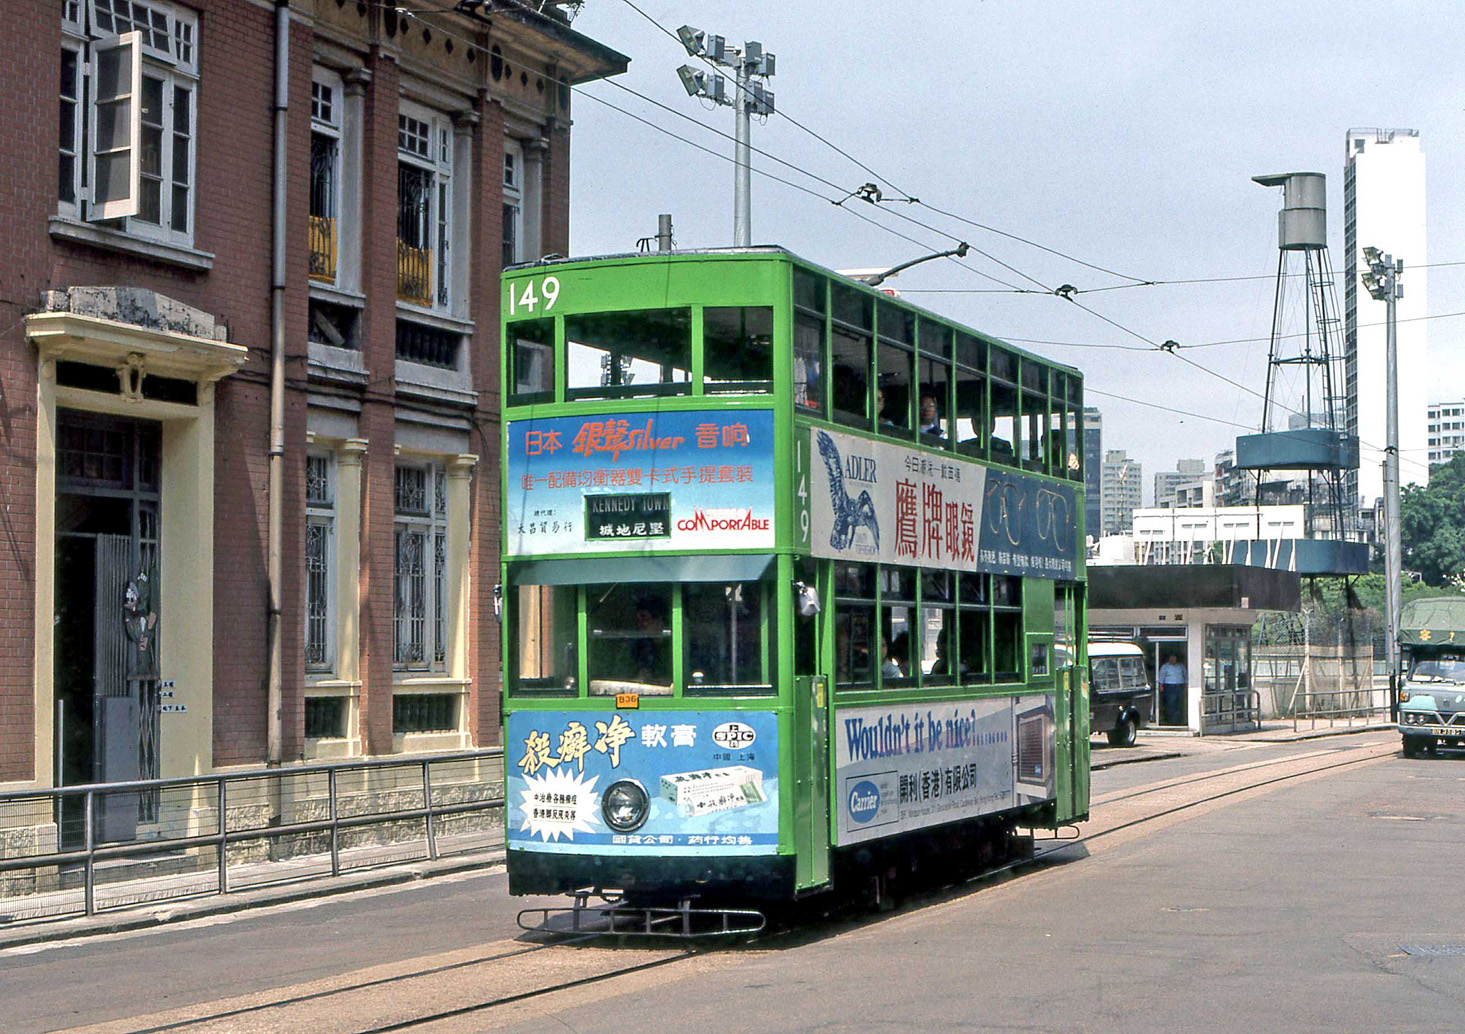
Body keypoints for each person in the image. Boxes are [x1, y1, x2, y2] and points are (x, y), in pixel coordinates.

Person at [1158, 653, 1186, 726]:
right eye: (1171, 658)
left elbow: (1185, 675)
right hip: (1169, 687)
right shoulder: (1165, 667)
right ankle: (1171, 721)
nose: (1173, 659)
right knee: (1170, 704)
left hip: (1179, 686)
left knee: (1179, 704)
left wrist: (1187, 684)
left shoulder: (1181, 666)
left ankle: (1179, 721)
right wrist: (1161, 685)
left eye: (1174, 658)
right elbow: (1161, 676)